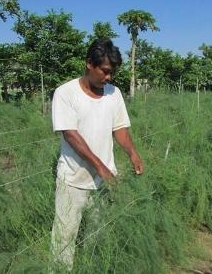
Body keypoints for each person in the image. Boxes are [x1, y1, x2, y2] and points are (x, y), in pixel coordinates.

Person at [50, 38, 143, 271]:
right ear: (89, 64)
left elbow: (119, 128)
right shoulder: (65, 93)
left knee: (97, 234)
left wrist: (132, 153)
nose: (108, 77)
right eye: (105, 71)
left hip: (103, 182)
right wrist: (100, 166)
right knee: (64, 238)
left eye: (112, 72)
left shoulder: (114, 93)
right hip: (73, 180)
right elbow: (70, 135)